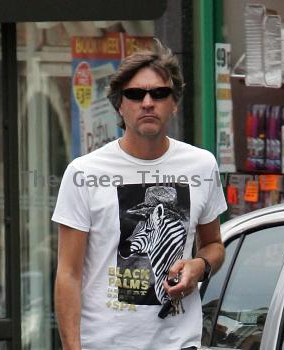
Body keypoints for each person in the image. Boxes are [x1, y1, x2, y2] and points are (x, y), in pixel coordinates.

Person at [52, 41, 227, 350]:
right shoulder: (84, 172)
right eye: (135, 94)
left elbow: (214, 245)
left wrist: (199, 266)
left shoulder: (202, 165)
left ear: (174, 104)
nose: (148, 102)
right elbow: (68, 273)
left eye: (159, 93)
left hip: (180, 343)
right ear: (120, 105)